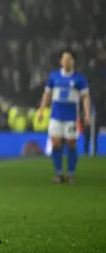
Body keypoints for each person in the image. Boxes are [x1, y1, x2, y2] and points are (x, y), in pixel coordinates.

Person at [37, 50, 90, 184]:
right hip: (56, 115)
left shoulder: (79, 78)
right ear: (60, 61)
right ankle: (59, 173)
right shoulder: (54, 76)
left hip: (71, 116)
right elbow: (47, 94)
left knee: (71, 143)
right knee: (56, 143)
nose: (67, 61)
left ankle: (71, 173)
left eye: (70, 59)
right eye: (65, 58)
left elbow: (85, 97)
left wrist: (87, 113)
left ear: (73, 61)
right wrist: (42, 109)